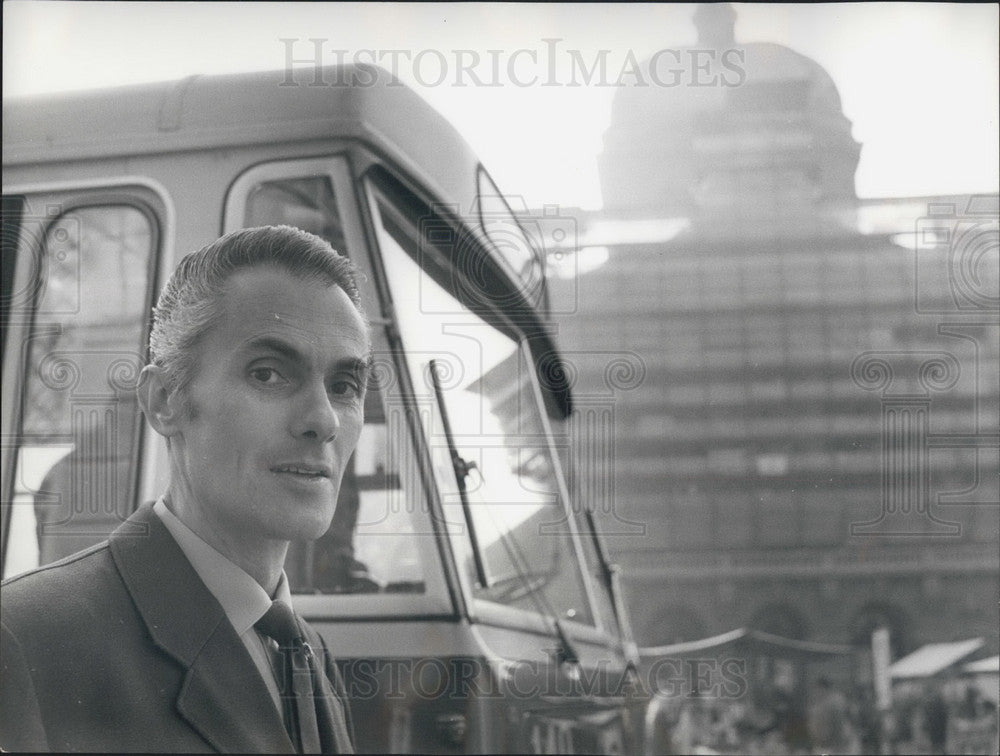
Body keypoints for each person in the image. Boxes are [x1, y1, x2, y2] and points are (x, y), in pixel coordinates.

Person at [1, 226, 371, 753]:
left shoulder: (312, 659)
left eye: (344, 386)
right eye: (268, 374)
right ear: (164, 401)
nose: (324, 419)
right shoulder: (23, 640)